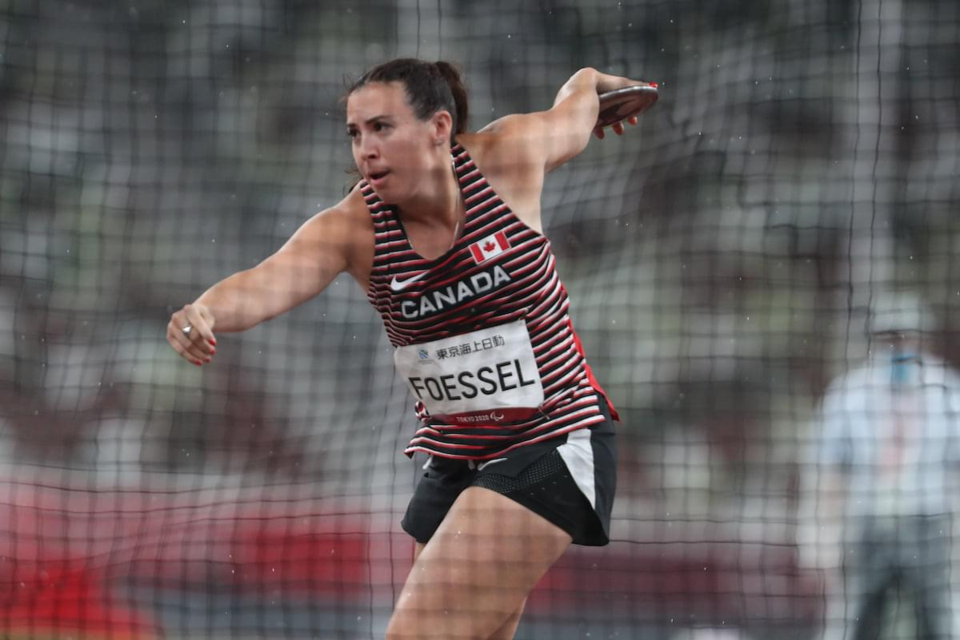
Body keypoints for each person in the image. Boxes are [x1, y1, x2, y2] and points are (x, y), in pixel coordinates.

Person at [166, 59, 650, 639]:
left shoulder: (510, 155)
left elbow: (575, 104)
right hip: (456, 460)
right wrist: (207, 310)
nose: (365, 149)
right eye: (355, 133)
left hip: (552, 440)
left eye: (382, 128)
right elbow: (267, 279)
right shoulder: (353, 228)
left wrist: (594, 85)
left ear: (438, 128)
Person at [803, 291, 960, 640]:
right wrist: (818, 541)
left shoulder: (950, 394)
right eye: (889, 337)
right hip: (866, 524)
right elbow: (828, 472)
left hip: (929, 522)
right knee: (855, 621)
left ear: (923, 338)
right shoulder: (848, 395)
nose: (898, 345)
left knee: (939, 620)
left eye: (905, 336)